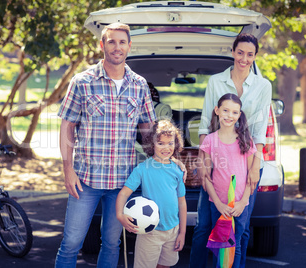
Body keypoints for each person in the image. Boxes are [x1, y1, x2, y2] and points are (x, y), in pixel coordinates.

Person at [54, 22, 157, 268]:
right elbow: (67, 127)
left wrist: (167, 160)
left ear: (130, 46)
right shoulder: (82, 81)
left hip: (122, 183)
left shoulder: (139, 85)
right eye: (111, 41)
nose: (117, 47)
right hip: (85, 180)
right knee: (71, 243)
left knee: (112, 243)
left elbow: (148, 132)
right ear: (102, 45)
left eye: (122, 42)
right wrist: (68, 169)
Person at [190, 33, 272, 268]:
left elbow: (259, 130)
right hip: (217, 162)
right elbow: (206, 121)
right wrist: (203, 162)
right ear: (233, 52)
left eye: (250, 54)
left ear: (255, 57)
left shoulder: (263, 85)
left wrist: (255, 167)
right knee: (204, 226)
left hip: (247, 163)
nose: (244, 59)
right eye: (240, 52)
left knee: (241, 229)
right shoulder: (216, 81)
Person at [116, 119, 187, 268]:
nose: (166, 147)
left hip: (173, 230)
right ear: (152, 144)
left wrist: (182, 232)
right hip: (150, 232)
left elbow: (181, 202)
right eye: (160, 143)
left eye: (170, 143)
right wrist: (119, 215)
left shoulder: (177, 170)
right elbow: (123, 193)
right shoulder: (143, 169)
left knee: (165, 265)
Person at [200, 93, 257, 267]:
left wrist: (242, 202)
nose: (229, 115)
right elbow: (206, 177)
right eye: (225, 110)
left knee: (235, 245)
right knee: (220, 245)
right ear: (217, 111)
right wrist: (217, 203)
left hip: (239, 205)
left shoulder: (245, 140)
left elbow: (250, 177)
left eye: (234, 112)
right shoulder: (210, 140)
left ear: (239, 115)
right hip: (218, 205)